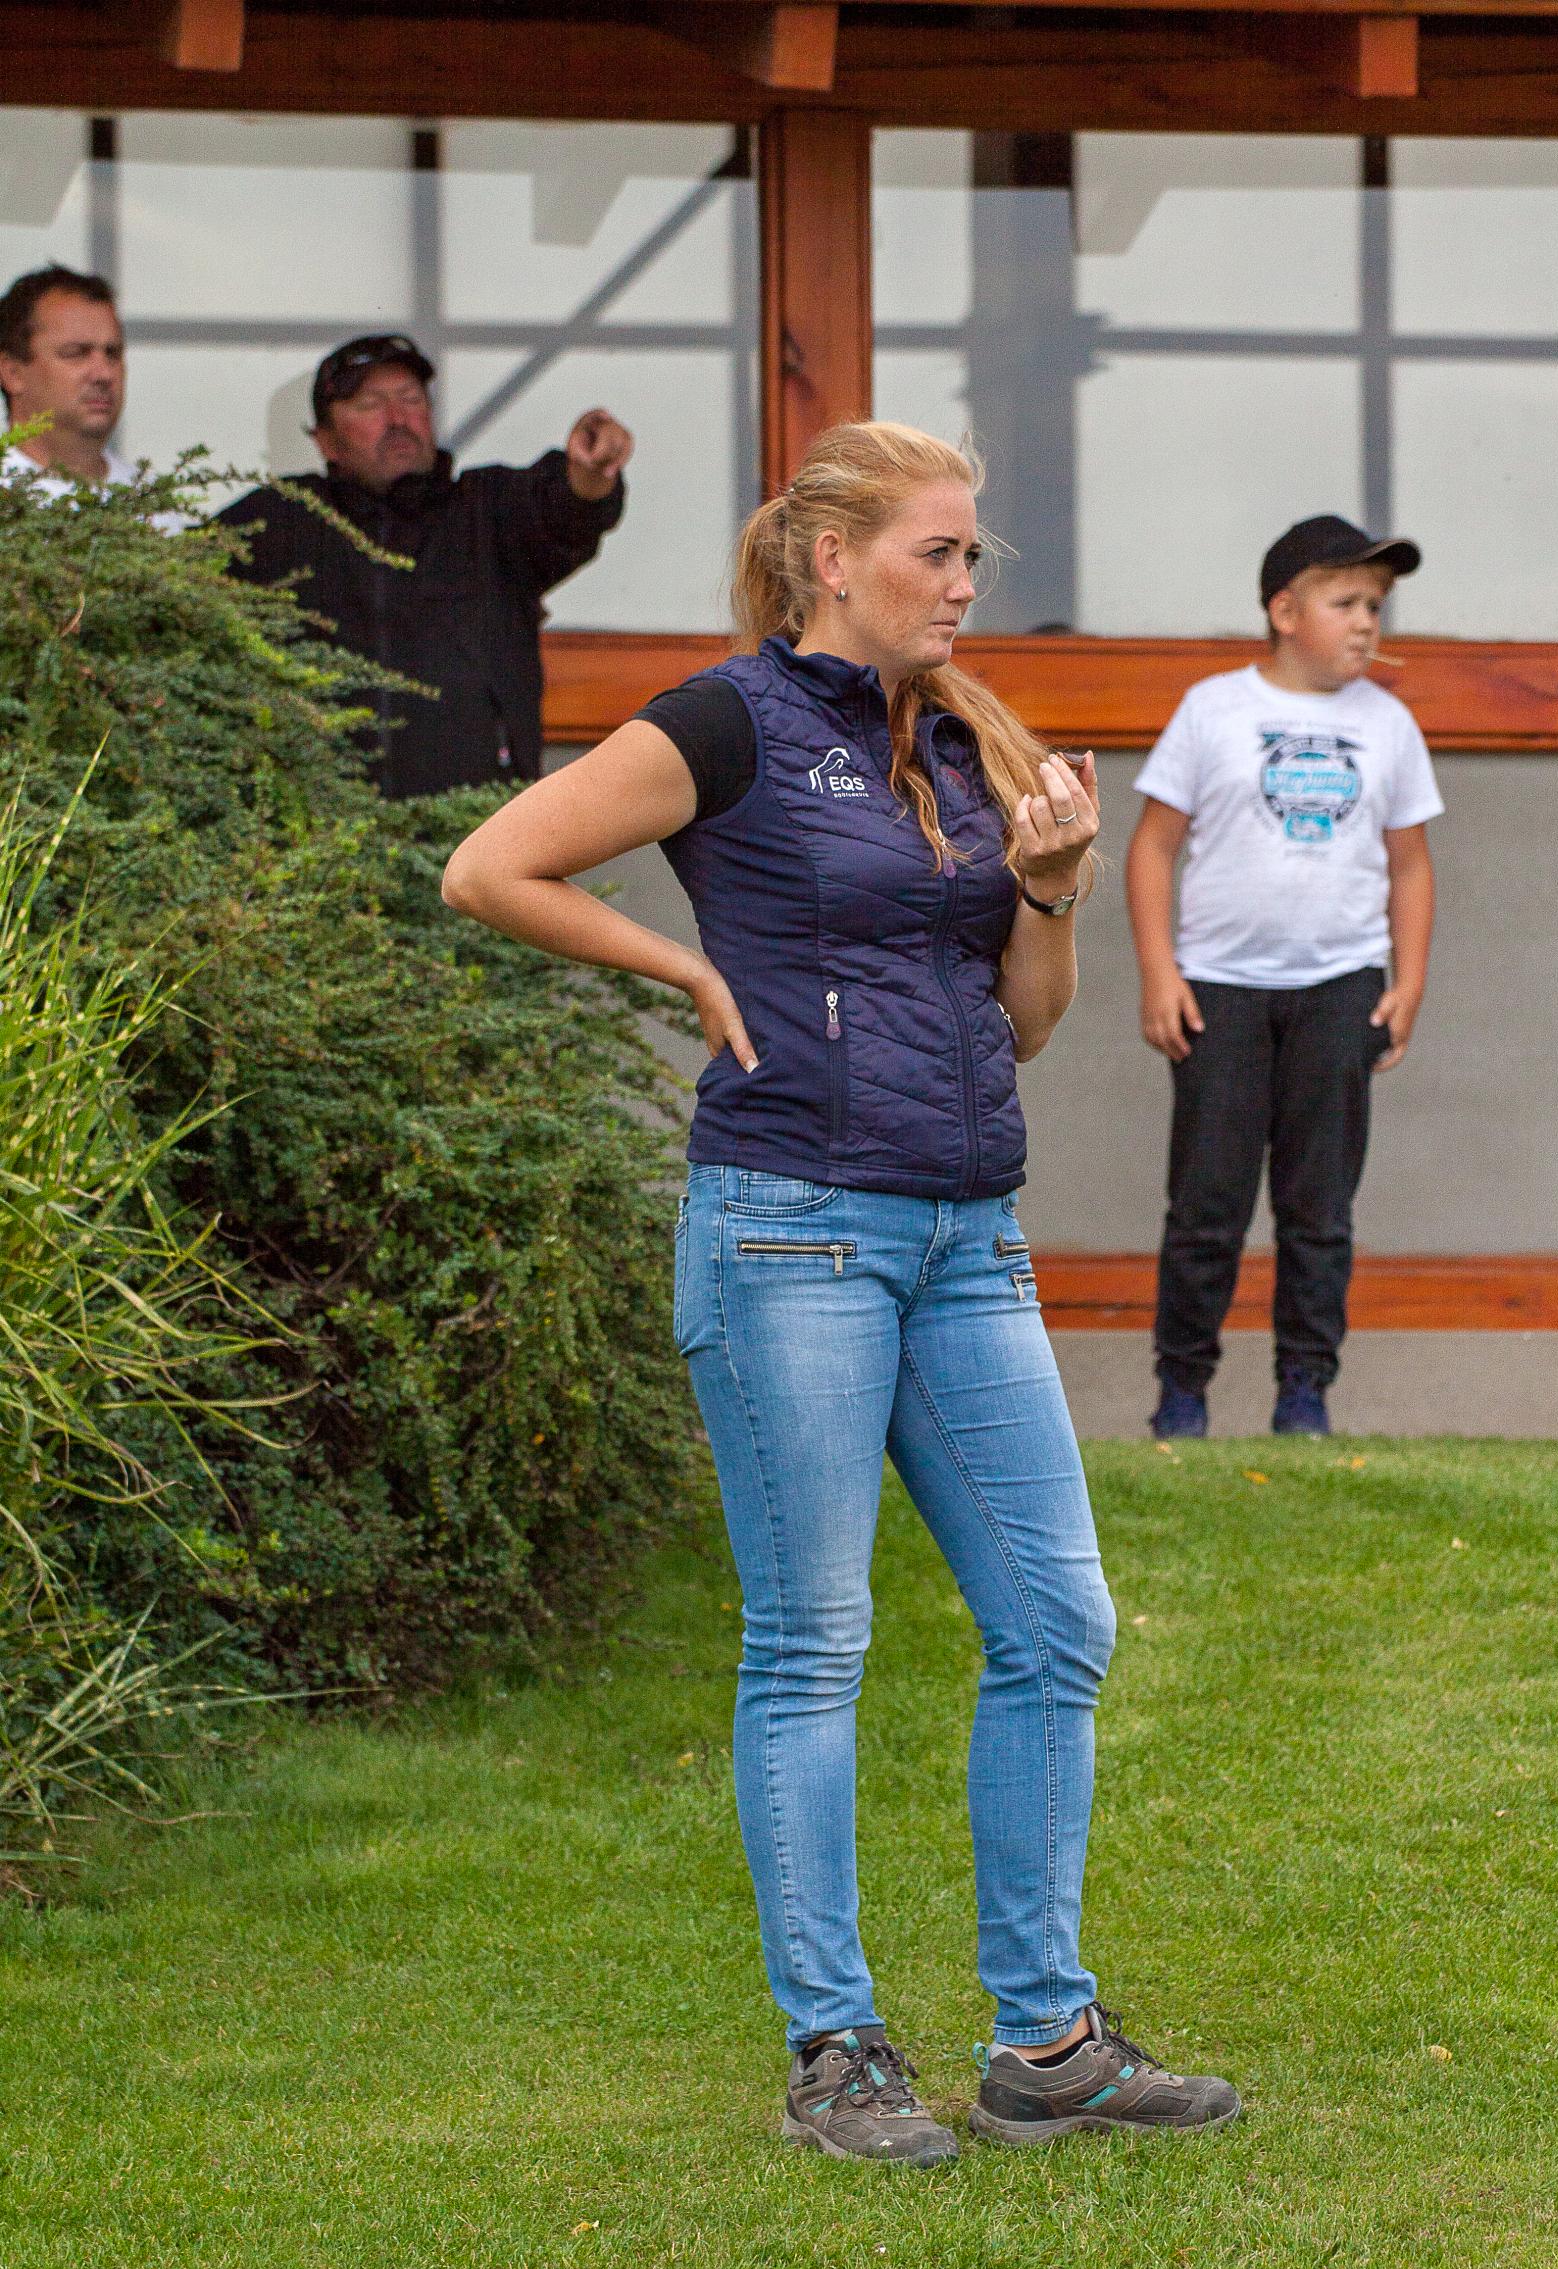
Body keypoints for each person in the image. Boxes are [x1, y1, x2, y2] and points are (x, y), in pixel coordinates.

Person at [440, 420, 1239, 2166]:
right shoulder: (727, 722)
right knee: (814, 1643)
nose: (963, 584)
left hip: (968, 1241)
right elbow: (489, 866)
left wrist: (1050, 893)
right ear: (832, 560)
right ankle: (836, 2051)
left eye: (971, 556)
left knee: (1058, 1622)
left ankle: (1045, 2046)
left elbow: (1028, 1023)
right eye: (935, 553)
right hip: (789, 1231)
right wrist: (680, 966)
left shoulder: (959, 737)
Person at [1127, 514, 1443, 1440]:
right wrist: (1160, 972)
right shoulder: (1212, 710)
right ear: (1284, 610)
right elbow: (1153, 849)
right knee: (1207, 1205)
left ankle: (1305, 1393)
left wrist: (1409, 981)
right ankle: (1182, 1392)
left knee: (1319, 1208)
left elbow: (1411, 865)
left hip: (1341, 988)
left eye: (1375, 606)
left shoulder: (1387, 725)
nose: (1366, 622)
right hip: (1219, 991)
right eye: (1346, 602)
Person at [216, 333, 632, 798]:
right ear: (326, 441)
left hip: (479, 825)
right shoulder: (282, 521)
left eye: (410, 399)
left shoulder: (486, 511)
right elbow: (177, 586)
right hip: (320, 827)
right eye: (370, 404)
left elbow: (564, 508)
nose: (397, 419)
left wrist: (588, 474)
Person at [0, 264, 135, 495]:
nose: (104, 374)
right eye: (76, 353)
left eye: (112, 353)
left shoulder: (154, 502)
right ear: (12, 372)